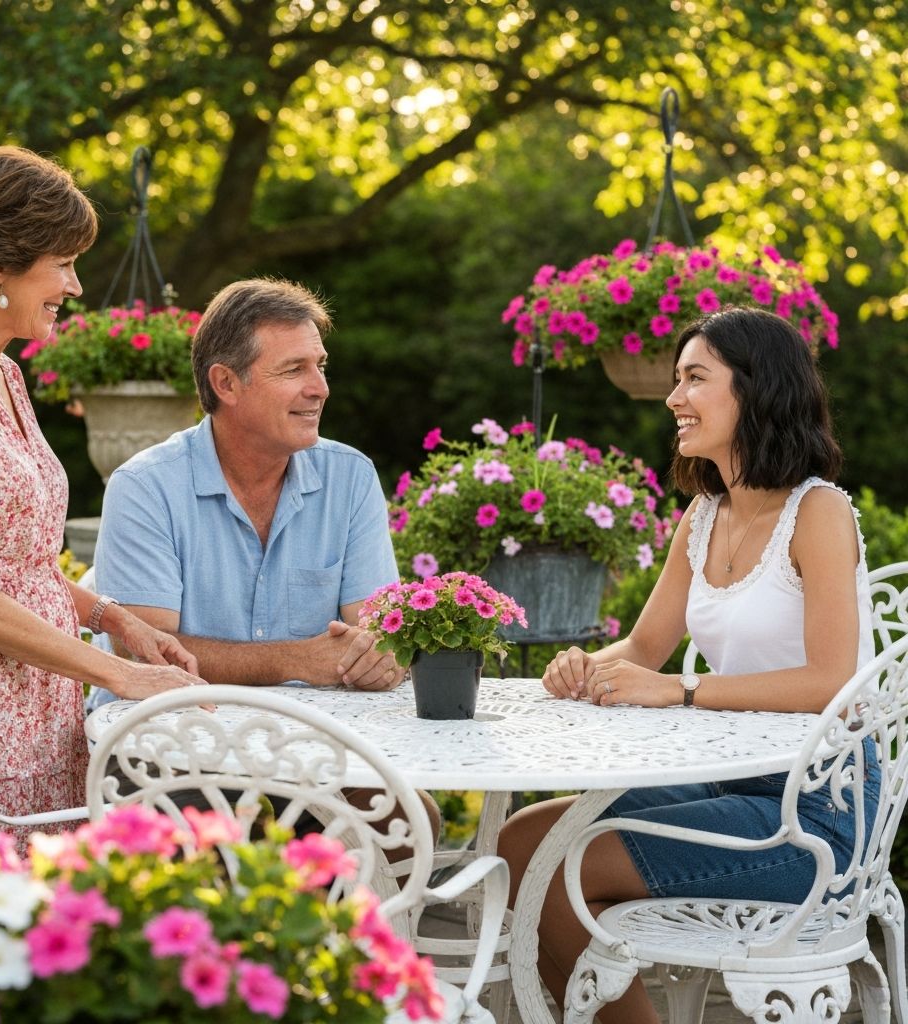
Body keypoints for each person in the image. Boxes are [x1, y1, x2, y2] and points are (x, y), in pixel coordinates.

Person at [497, 306, 879, 1022]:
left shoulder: (817, 512)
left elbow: (831, 681)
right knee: (521, 842)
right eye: (675, 379)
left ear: (756, 389)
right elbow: (643, 649)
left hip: (816, 812)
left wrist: (679, 689)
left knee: (560, 868)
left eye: (694, 378)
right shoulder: (704, 516)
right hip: (724, 781)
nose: (674, 398)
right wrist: (582, 667)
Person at [0, 147, 200, 843]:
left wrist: (116, 617)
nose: (77, 285)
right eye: (62, 263)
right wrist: (122, 676)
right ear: (1, 261)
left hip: (34, 696)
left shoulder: (0, 375)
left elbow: (18, 565)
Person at [89, 276, 403, 700]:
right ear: (226, 384)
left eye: (320, 366)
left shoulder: (350, 478)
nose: (320, 389)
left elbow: (378, 633)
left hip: (313, 745)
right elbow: (144, 651)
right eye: (294, 369)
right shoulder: (146, 487)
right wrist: (298, 660)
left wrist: (380, 660)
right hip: (163, 746)